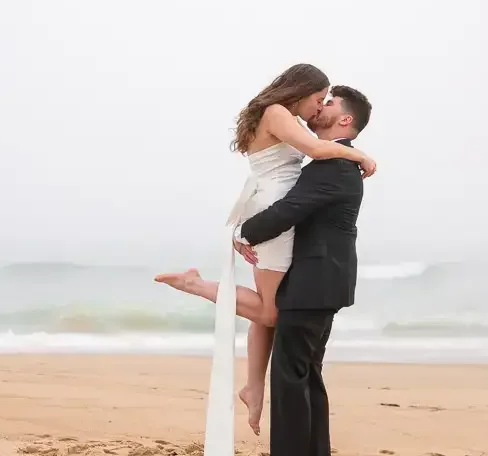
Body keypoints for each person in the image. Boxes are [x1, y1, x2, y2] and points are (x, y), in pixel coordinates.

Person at [154, 65, 376, 436]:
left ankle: (253, 387)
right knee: (271, 312)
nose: (318, 107)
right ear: (302, 90)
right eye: (318, 98)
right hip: (275, 214)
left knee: (267, 307)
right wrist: (360, 156)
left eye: (326, 101)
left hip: (273, 208)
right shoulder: (277, 114)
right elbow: (317, 149)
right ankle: (196, 285)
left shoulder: (282, 116)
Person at [236, 85, 371, 456]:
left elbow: (289, 210)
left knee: (290, 373)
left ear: (345, 120)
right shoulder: (339, 163)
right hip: (327, 279)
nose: (320, 106)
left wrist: (244, 232)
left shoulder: (332, 165)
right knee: (307, 371)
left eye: (329, 103)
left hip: (313, 280)